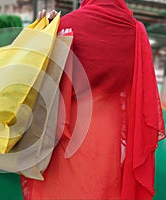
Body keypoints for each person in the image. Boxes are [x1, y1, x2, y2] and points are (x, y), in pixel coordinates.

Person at [21, 0, 165, 199]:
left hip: (65, 132)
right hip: (108, 136)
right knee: (102, 189)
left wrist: (43, 33)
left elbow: (38, 82)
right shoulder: (134, 32)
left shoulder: (63, 25)